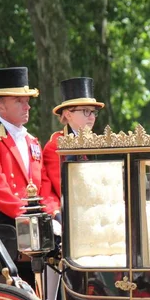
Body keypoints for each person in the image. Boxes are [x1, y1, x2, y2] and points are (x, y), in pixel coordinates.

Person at [0, 67, 53, 224]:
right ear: (1, 107)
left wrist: (52, 214)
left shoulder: (32, 141)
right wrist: (30, 217)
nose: (27, 107)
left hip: (30, 217)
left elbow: (44, 185)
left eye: (27, 101)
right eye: (19, 101)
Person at [41, 77, 104, 218]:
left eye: (93, 112)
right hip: (76, 214)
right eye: (86, 111)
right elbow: (65, 188)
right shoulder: (56, 145)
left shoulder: (97, 141)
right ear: (68, 114)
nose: (92, 117)